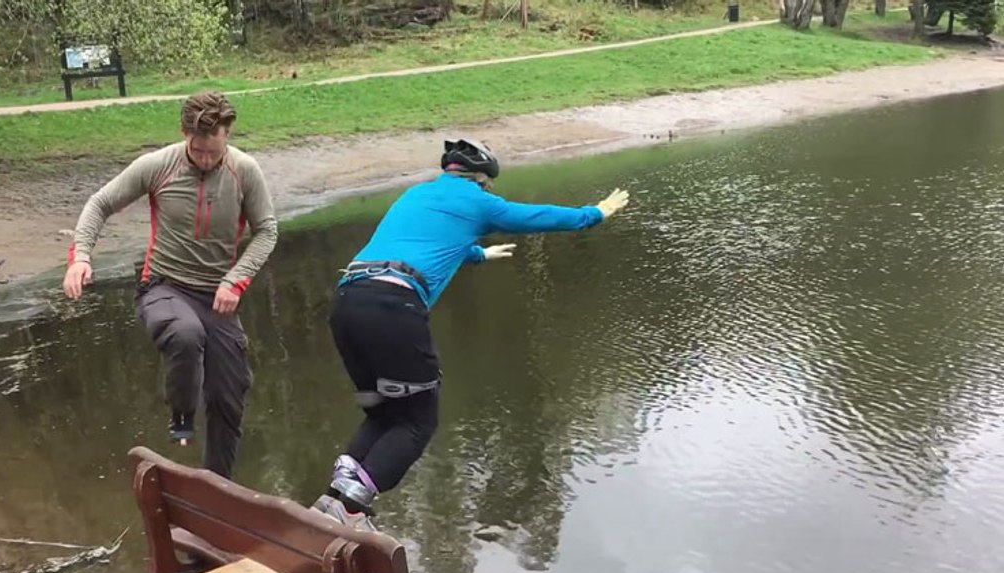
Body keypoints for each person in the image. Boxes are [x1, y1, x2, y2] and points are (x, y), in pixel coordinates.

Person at [311, 138, 631, 531]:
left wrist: (477, 255)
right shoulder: (479, 201)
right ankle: (353, 510)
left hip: (347, 303)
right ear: (481, 179)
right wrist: (593, 214)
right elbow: (535, 217)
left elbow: (422, 241)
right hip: (393, 308)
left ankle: (331, 501)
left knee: (383, 410)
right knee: (417, 420)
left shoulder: (418, 194)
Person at [62, 91, 278, 480]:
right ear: (184, 134)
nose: (207, 160)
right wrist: (80, 257)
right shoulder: (158, 165)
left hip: (217, 295)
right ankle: (181, 417)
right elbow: (100, 203)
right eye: (198, 151)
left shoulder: (244, 171)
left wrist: (236, 280)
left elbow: (267, 231)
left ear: (228, 135)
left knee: (231, 393)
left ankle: (219, 488)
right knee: (184, 334)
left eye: (215, 151)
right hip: (163, 287)